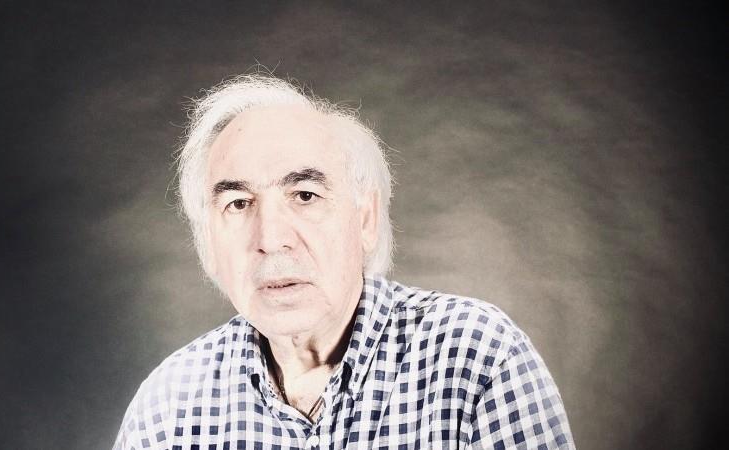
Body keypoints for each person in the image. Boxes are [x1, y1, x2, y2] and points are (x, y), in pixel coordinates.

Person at [113, 74, 574, 449]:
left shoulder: (477, 357)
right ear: (208, 242)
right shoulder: (170, 407)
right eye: (237, 203)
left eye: (305, 195)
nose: (270, 239)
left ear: (365, 219)